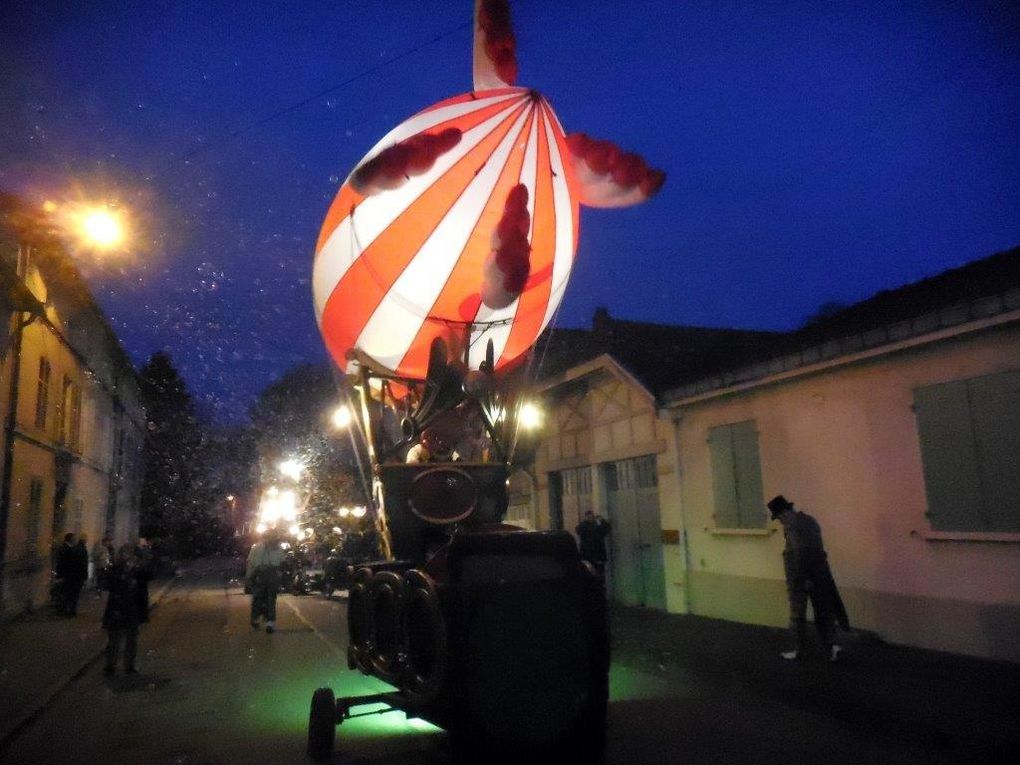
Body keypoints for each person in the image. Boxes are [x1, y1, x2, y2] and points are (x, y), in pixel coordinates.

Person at [767, 495, 849, 662]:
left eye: (779, 518)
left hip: (801, 576)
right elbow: (817, 548)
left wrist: (802, 578)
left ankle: (798, 649)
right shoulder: (810, 520)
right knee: (824, 612)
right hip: (820, 571)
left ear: (783, 514)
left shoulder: (792, 526)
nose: (780, 522)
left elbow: (799, 553)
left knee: (797, 614)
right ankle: (831, 646)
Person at [102, 543, 144, 674]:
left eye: (132, 556)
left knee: (131, 639)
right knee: (115, 639)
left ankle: (129, 665)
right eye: (128, 554)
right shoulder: (116, 569)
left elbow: (143, 585)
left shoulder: (137, 570)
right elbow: (109, 585)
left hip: (131, 610)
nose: (131, 558)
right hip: (118, 609)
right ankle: (111, 665)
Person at [246, 529, 285, 633]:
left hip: (262, 576)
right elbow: (282, 563)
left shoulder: (256, 548)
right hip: (269, 577)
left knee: (259, 599)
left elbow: (251, 564)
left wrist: (249, 577)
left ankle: (258, 620)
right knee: (269, 599)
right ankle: (268, 622)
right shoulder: (277, 549)